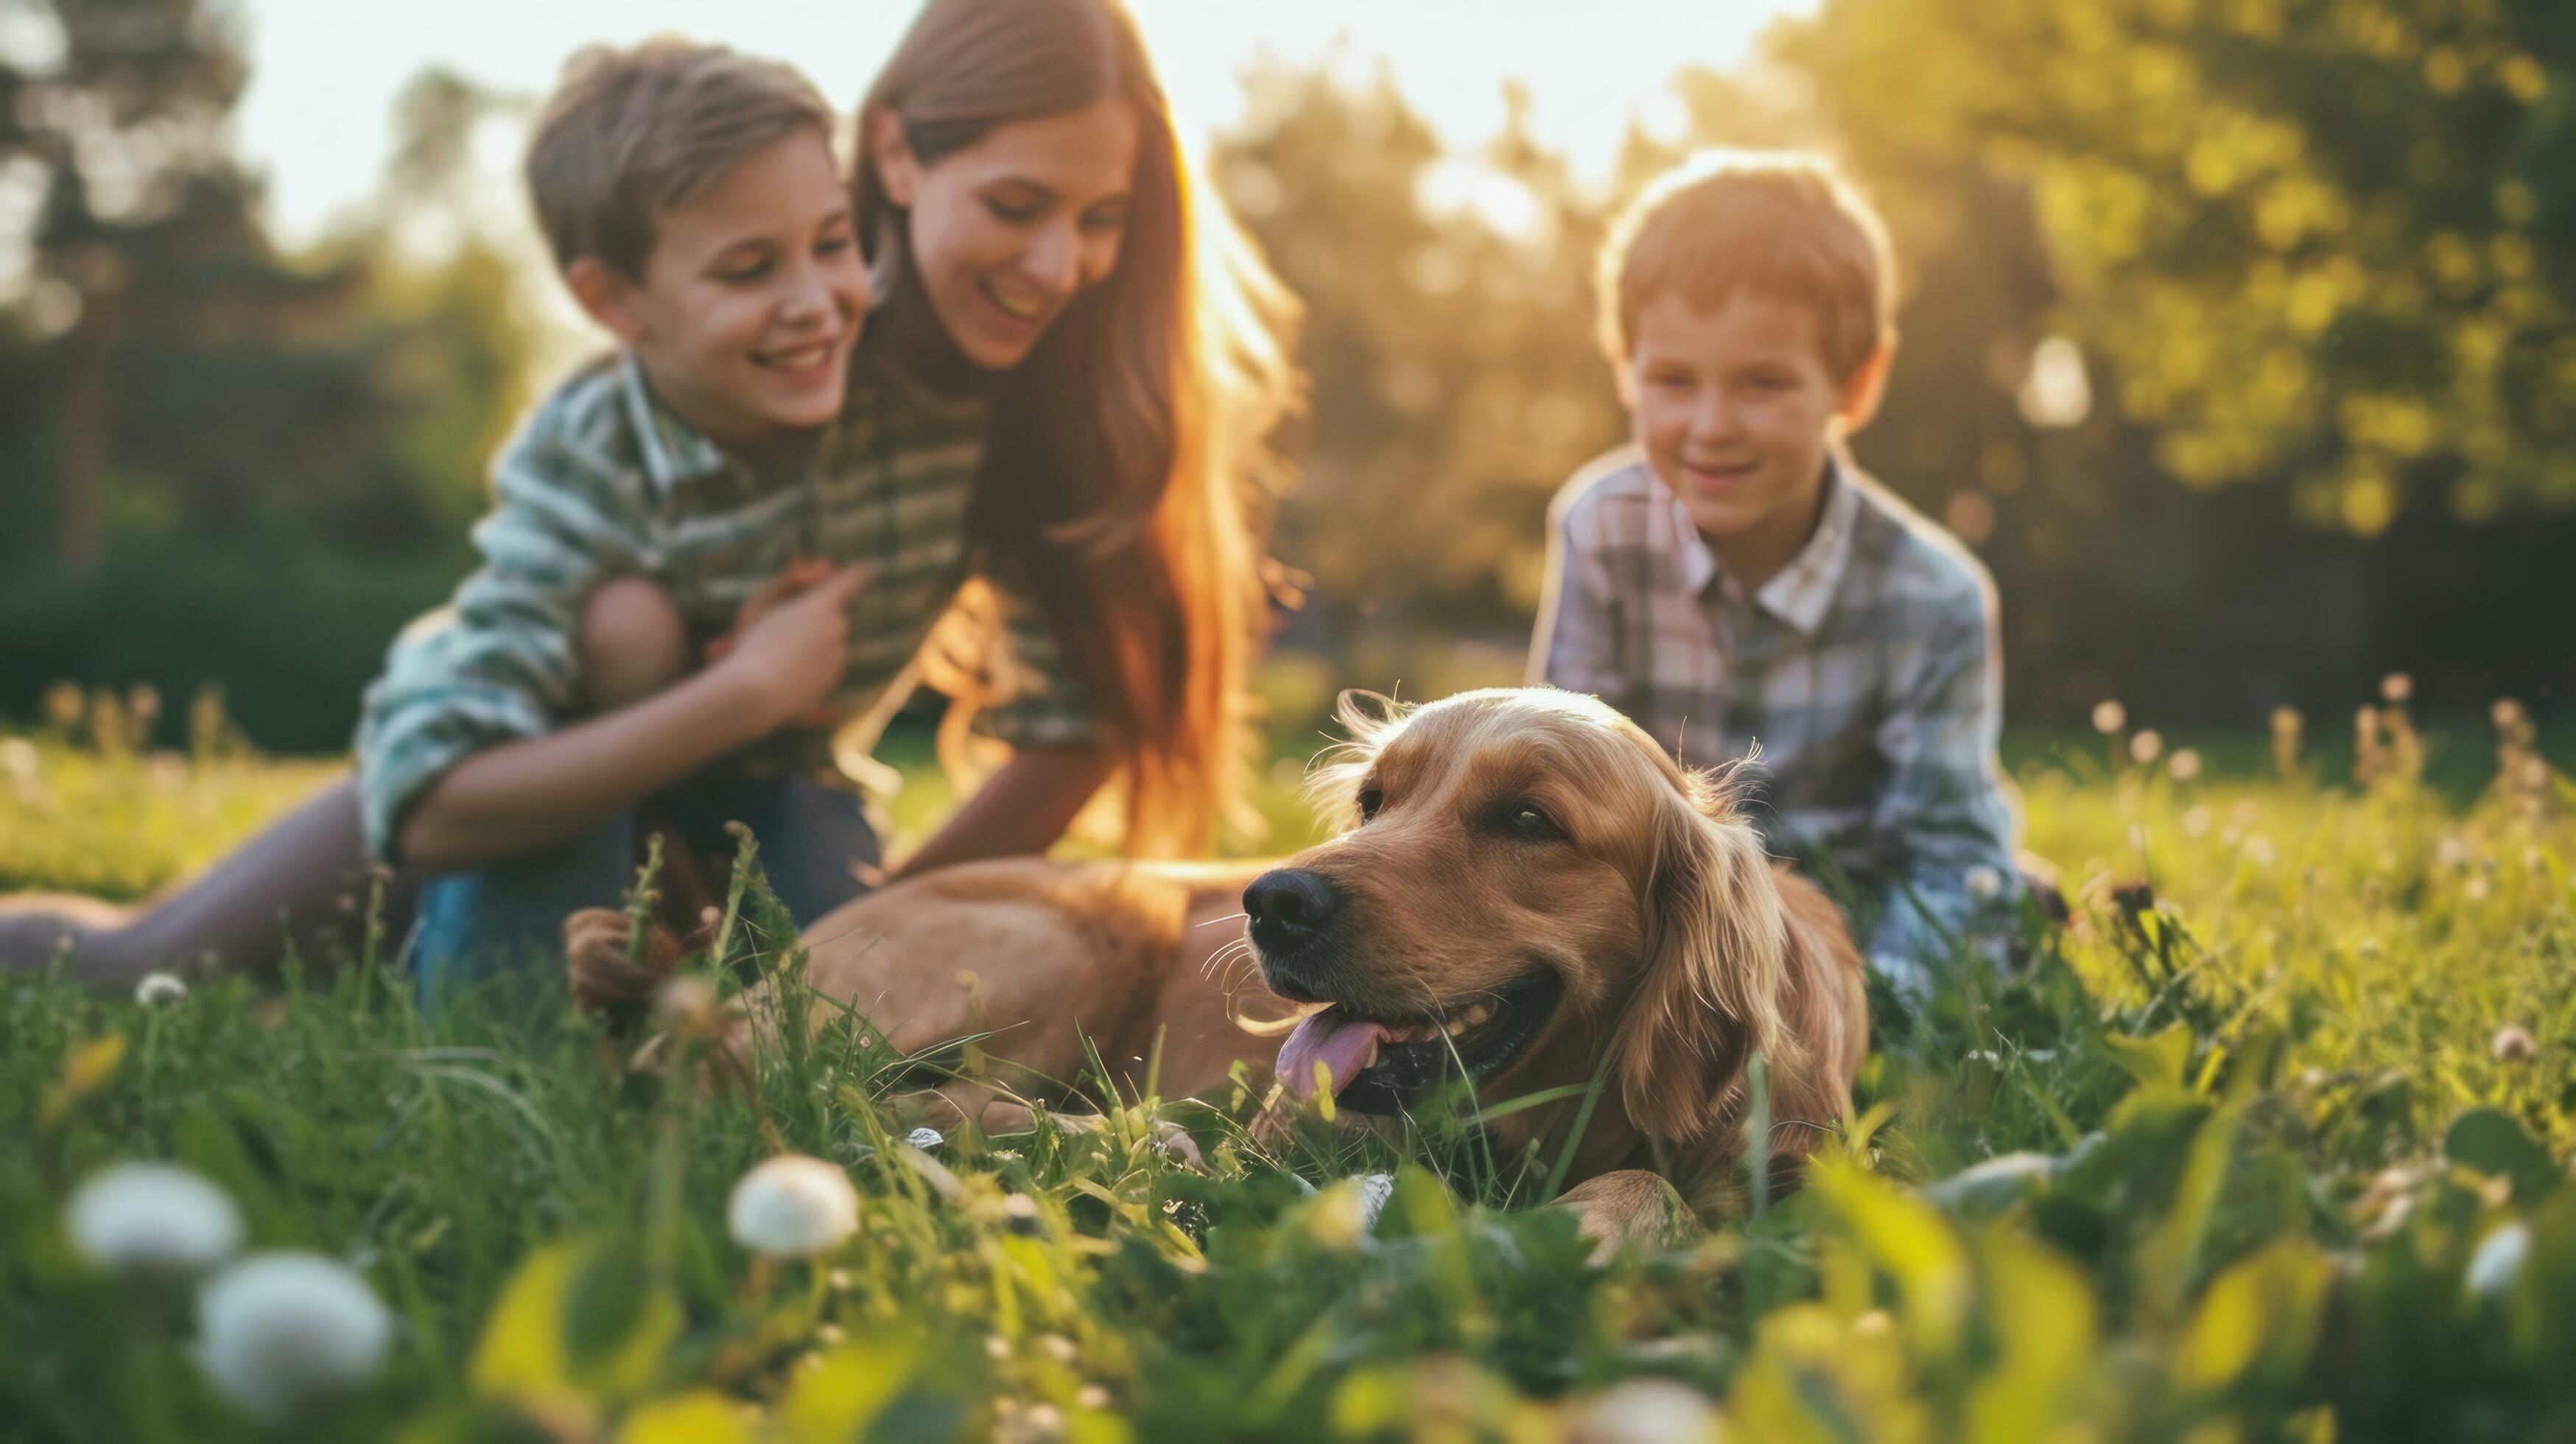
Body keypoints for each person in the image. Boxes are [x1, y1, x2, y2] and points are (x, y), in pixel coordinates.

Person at [1, 0, 1299, 991]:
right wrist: (723, 686)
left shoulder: (1035, 407)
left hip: (771, 790)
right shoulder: (750, 338)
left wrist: (875, 928)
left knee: (761, 1013)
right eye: (1015, 205)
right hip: (555, 754)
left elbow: (1080, 724)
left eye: (1099, 219)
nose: (1057, 263)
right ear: (895, 155)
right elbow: (499, 718)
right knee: (150, 963)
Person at [1529, 149, 2021, 998]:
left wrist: (1865, 1010)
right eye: (1672, 381)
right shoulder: (1600, 526)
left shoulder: (1934, 595)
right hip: (1661, 935)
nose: (1710, 426)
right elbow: (1548, 778)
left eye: (1762, 383)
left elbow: (1942, 867)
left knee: (1983, 900)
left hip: (1845, 937)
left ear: (1854, 384)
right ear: (1624, 372)